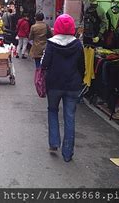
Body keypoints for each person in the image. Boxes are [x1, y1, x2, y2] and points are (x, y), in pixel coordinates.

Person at [41, 14, 84, 162]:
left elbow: (44, 64)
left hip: (53, 85)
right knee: (70, 117)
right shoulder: (78, 44)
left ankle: (54, 143)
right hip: (72, 85)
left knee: (52, 111)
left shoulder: (51, 44)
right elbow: (82, 67)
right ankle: (67, 153)